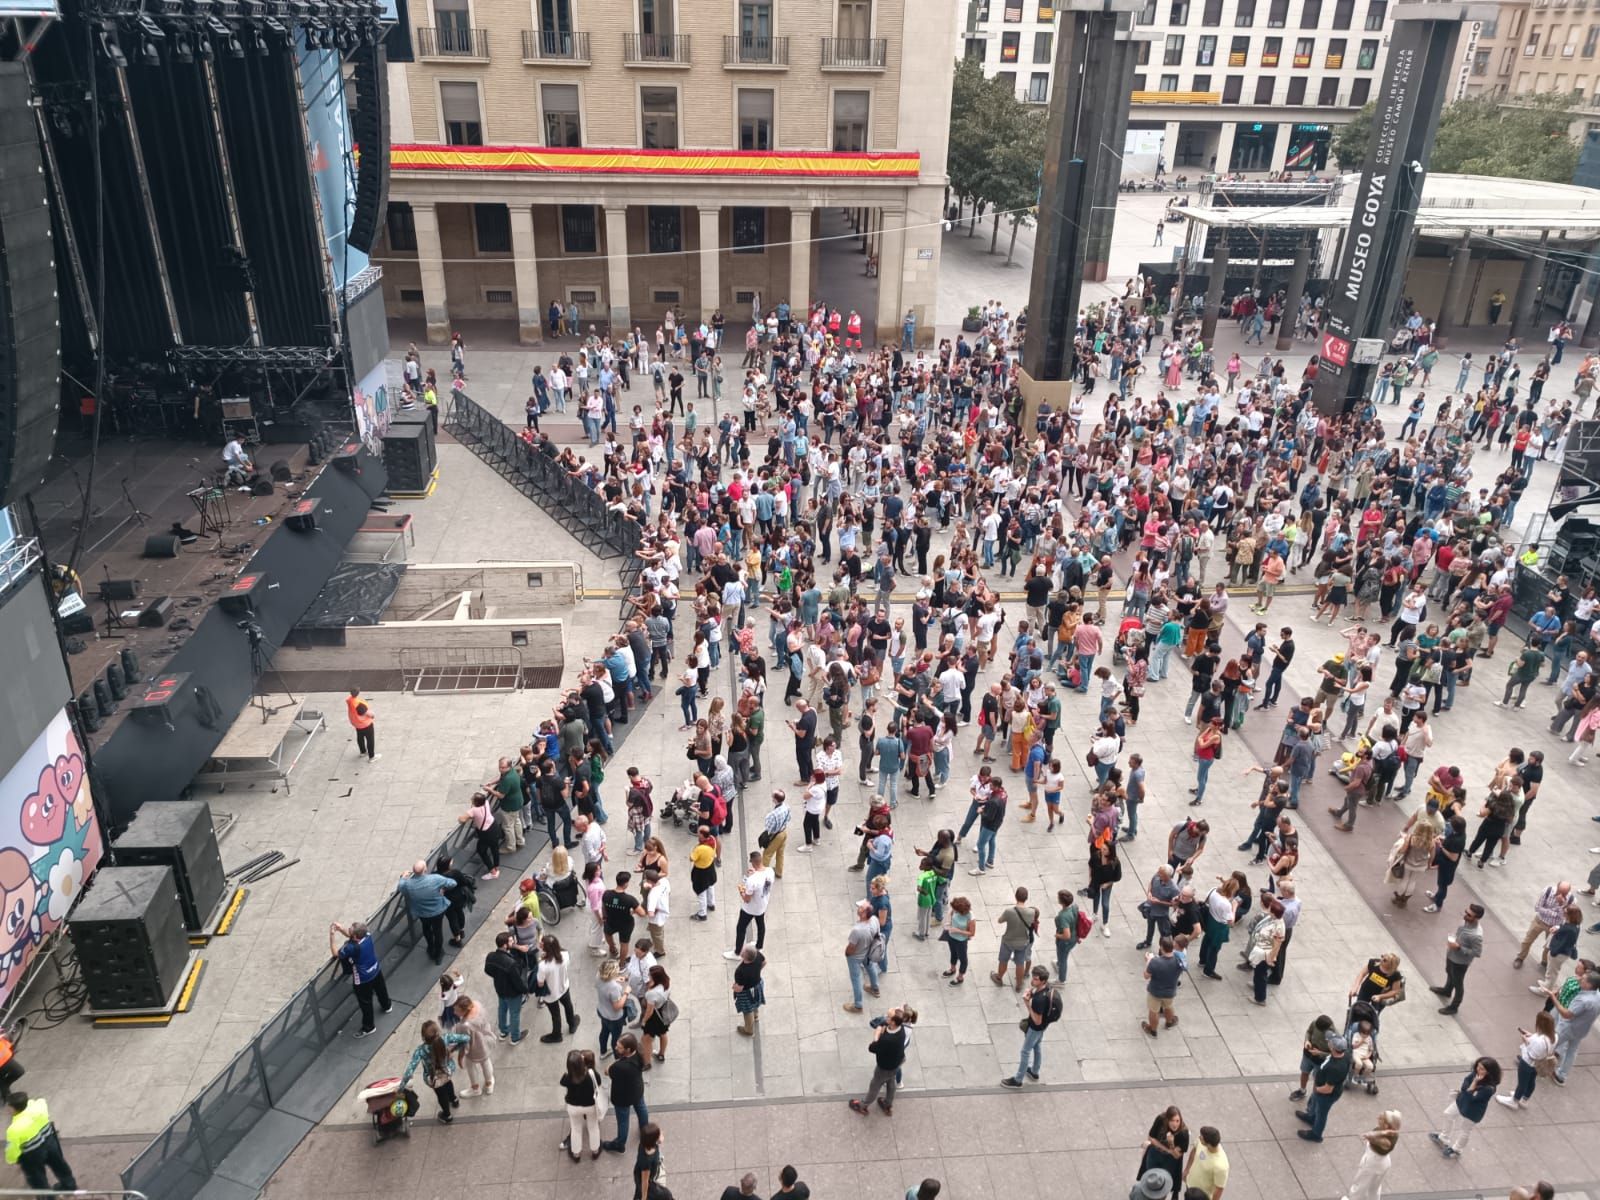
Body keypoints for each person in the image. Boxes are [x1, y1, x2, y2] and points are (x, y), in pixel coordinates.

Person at [847, 1004, 917, 1115]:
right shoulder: (901, 1028)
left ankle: (863, 1105)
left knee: (875, 1085)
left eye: (889, 1018)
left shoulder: (888, 1039)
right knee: (891, 1082)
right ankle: (887, 1104)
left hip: (885, 1067)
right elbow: (885, 1024)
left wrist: (877, 1034)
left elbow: (872, 1048)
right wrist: (883, 1026)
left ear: (893, 1022)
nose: (886, 1018)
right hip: (896, 1062)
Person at [4, 1092, 76, 1193]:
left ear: (13, 1109)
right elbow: (35, 1102)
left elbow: (12, 1150)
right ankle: (69, 1185)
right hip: (50, 1141)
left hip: (32, 1154)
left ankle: (47, 1197)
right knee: (59, 1165)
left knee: (38, 1179)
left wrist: (12, 1160)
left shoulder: (14, 1129)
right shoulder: (40, 1105)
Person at [400, 1019, 470, 1123]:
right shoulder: (446, 1038)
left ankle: (447, 1115)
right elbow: (466, 1038)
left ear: (423, 1038)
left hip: (434, 1078)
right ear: (438, 1031)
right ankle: (454, 1100)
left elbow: (410, 1070)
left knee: (441, 1094)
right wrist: (454, 1049)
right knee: (448, 1083)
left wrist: (401, 1087)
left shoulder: (420, 1050)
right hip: (448, 1070)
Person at [331, 919, 392, 1038]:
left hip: (363, 979)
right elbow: (353, 936)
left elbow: (335, 954)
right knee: (381, 989)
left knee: (366, 1003)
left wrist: (332, 935)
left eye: (350, 930)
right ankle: (387, 1006)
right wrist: (341, 928)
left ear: (354, 936)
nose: (348, 930)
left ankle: (369, 1027)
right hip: (375, 969)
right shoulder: (367, 936)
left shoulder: (350, 948)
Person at [1430, 1057, 1500, 1159]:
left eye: (1482, 1069)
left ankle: (1457, 1149)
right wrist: (1470, 1088)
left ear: (1489, 1072)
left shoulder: (1489, 1088)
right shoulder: (1476, 1074)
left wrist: (1473, 1084)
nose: (1478, 1070)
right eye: (1478, 1067)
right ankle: (1444, 1137)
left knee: (1465, 1130)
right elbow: (1465, 1085)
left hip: (1473, 1111)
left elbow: (1471, 1096)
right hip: (1462, 1101)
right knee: (1448, 1114)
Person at [1001, 965, 1059, 1087]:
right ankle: (1034, 1072)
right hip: (1043, 1027)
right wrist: (1032, 993)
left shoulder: (1039, 1000)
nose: (1033, 980)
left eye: (1036, 979)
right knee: (1037, 1046)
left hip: (1035, 1028)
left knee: (1025, 1051)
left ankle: (1018, 1080)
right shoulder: (1046, 988)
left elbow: (1037, 1020)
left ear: (1043, 980)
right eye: (1033, 977)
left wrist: (1027, 1003)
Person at [396, 860, 457, 965]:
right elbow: (453, 883)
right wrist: (443, 889)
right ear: (425, 869)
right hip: (438, 911)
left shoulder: (408, 884)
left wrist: (403, 876)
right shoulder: (435, 879)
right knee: (438, 931)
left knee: (426, 929)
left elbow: (401, 886)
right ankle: (438, 954)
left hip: (422, 913)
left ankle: (430, 948)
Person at [1546, 968, 1600, 1083]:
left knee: (1550, 1043)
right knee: (1571, 1051)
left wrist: (1554, 998)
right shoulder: (1598, 996)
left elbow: (1566, 1014)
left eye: (1583, 979)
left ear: (1589, 985)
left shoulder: (1583, 999)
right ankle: (1562, 1075)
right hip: (1582, 1030)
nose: (1580, 979)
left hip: (1568, 1028)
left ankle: (1533, 1063)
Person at [1430, 903, 1485, 1015]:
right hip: (1452, 955)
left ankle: (1454, 1007)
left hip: (1460, 962)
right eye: (1466, 912)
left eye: (1469, 915)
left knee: (1458, 983)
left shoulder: (1476, 935)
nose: (1465, 915)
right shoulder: (1466, 922)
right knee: (1449, 972)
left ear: (1477, 918)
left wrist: (1459, 947)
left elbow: (1477, 952)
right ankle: (1447, 990)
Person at [1497, 1010, 1557, 1111]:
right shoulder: (1555, 1036)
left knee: (1522, 1083)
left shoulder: (1538, 1041)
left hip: (1527, 1063)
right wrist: (1531, 1036)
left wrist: (1526, 1041)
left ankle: (1514, 1100)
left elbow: (1531, 1054)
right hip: (1538, 1065)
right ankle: (1525, 1099)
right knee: (1531, 1081)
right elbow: (1542, 1043)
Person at [1295, 1034, 1350, 1142]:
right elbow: (1330, 1056)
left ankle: (1316, 1134)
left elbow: (1328, 1089)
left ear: (1333, 1048)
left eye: (1329, 1042)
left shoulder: (1335, 1068)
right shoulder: (1345, 1055)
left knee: (1321, 1114)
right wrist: (1320, 1053)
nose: (1328, 1042)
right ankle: (1311, 1117)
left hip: (1326, 1095)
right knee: (1315, 1105)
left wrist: (1316, 1089)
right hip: (1321, 1089)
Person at [601, 1034, 649, 1152]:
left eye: (619, 1047)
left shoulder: (620, 1067)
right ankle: (645, 1130)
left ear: (628, 1050)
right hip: (637, 1090)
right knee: (642, 1109)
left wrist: (615, 1063)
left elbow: (607, 1071)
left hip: (622, 1097)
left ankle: (620, 1144)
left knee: (623, 1121)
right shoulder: (639, 1052)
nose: (616, 1048)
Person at [1339, 1110, 1400, 1200]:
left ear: (1387, 1125)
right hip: (1383, 1162)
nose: (1378, 1119)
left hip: (1373, 1162)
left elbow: (1368, 1136)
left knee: (1360, 1185)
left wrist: (1381, 1133)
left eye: (1381, 1119)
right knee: (1374, 1187)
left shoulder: (1386, 1141)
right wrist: (1383, 1132)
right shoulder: (1392, 1133)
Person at [484, 930, 531, 1043]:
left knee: (502, 1010)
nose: (513, 942)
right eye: (510, 941)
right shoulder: (511, 963)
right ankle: (515, 1037)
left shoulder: (490, 956)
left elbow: (487, 970)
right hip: (513, 993)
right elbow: (518, 982)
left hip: (500, 989)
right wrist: (525, 990)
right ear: (505, 945)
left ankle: (503, 1032)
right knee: (514, 1014)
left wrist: (498, 977)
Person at [991, 886, 1039, 991]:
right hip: (1023, 942)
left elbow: (1000, 921)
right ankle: (1019, 984)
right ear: (1026, 898)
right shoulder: (1032, 912)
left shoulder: (1009, 911)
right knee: (1020, 963)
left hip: (1008, 940)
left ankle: (999, 977)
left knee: (1003, 961)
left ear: (1015, 896)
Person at [536, 934, 580, 1043]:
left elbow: (540, 983)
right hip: (564, 987)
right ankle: (572, 1024)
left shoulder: (543, 965)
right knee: (568, 1005)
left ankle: (557, 1035)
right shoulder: (564, 955)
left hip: (551, 994)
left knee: (555, 1015)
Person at [1136, 1105, 1189, 1195]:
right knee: (1150, 1176)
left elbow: (1176, 1156)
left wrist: (1171, 1143)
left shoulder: (1183, 1133)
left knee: (1163, 1182)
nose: (1175, 1124)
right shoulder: (1161, 1119)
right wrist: (1167, 1149)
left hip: (1170, 1160)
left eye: (1177, 1121)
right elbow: (1151, 1137)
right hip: (1155, 1153)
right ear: (1167, 1119)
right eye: (1172, 1120)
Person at [451, 993, 496, 1097]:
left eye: (457, 1010)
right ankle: (489, 1084)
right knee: (486, 1062)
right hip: (486, 1040)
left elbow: (464, 1043)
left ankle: (475, 1088)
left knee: (470, 1065)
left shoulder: (463, 1026)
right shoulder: (477, 1005)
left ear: (464, 1011)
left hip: (475, 1049)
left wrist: (461, 1056)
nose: (454, 1012)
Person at [842, 898, 883, 1013]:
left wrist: (847, 954)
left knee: (856, 979)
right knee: (871, 967)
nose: (858, 909)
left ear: (864, 913)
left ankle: (858, 1005)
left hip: (855, 957)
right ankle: (875, 988)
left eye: (860, 908)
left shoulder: (857, 930)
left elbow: (851, 947)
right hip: (868, 951)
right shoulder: (874, 919)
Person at [1142, 936, 1183, 1036]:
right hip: (1170, 991)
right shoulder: (1179, 959)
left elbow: (1146, 976)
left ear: (1161, 948)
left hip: (1155, 992)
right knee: (1168, 1006)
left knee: (1154, 1011)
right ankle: (1169, 1022)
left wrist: (1148, 961)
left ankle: (1153, 1029)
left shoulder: (1155, 962)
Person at [639, 965, 675, 1067]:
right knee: (663, 1033)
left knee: (646, 1040)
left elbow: (649, 1011)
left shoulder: (652, 994)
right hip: (663, 1013)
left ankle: (647, 1063)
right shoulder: (666, 983)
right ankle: (661, 1054)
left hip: (654, 1017)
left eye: (650, 975)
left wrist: (644, 1021)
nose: (648, 976)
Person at [1183, 1126, 1228, 1200]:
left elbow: (1219, 1188)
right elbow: (1194, 1151)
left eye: (1201, 1137)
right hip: (1190, 1186)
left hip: (1202, 1197)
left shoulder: (1221, 1165)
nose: (1199, 1137)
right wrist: (1186, 1170)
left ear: (1209, 1144)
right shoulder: (1200, 1142)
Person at [732, 944, 766, 1036]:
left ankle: (748, 1030)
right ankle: (756, 1016)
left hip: (747, 993)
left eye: (743, 950)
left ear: (743, 956)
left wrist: (734, 987)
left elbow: (740, 988)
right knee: (756, 1002)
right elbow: (764, 962)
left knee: (747, 1010)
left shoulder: (740, 971)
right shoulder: (757, 954)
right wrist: (756, 972)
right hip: (758, 985)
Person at [346, 687, 377, 760]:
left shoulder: (350, 700)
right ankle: (372, 757)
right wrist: (373, 715)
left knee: (360, 738)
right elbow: (368, 713)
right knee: (370, 740)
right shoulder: (358, 704)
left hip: (357, 724)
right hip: (365, 724)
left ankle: (363, 752)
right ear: (358, 693)